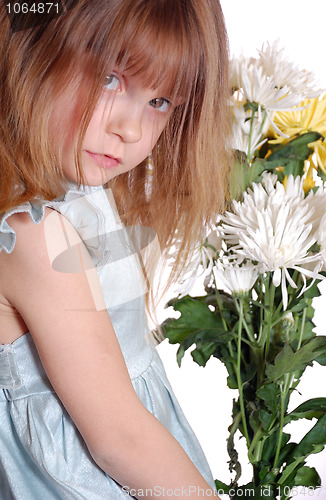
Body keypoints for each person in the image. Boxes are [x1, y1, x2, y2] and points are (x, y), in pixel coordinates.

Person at [0, 0, 231, 498]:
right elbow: (119, 438)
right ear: (31, 48)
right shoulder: (32, 233)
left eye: (160, 102)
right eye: (110, 79)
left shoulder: (74, 193)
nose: (130, 130)